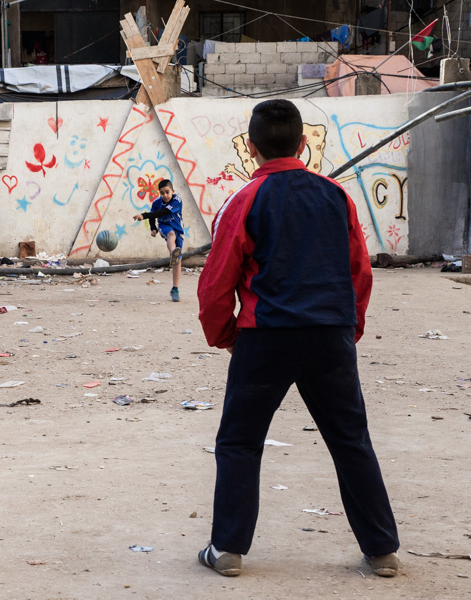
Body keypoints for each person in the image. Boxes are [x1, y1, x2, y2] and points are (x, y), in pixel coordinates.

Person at [196, 99, 400, 578]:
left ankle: (227, 550)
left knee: (240, 442)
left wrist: (227, 336)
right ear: (303, 145)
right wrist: (350, 328)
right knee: (350, 440)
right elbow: (359, 272)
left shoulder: (243, 200)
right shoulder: (336, 196)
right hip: (330, 335)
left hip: (266, 336)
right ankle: (382, 550)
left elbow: (215, 282)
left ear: (252, 148)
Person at [133, 179, 185, 302]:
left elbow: (164, 211)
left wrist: (143, 215)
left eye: (167, 192)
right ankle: (173, 252)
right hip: (164, 226)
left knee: (178, 261)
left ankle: (175, 288)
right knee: (170, 235)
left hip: (179, 230)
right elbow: (154, 214)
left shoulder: (177, 200)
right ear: (159, 193)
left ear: (173, 191)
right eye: (162, 193)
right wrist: (153, 228)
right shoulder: (156, 202)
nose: (165, 195)